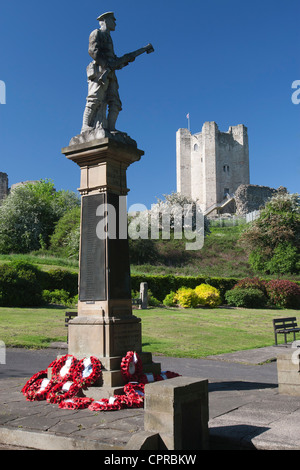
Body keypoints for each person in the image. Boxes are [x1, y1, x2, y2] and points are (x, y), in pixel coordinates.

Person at [81, 12, 130, 134]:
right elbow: (93, 51)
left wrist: (121, 62)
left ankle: (110, 128)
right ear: (105, 20)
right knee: (94, 98)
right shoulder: (97, 33)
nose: (115, 23)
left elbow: (112, 58)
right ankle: (85, 126)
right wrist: (106, 65)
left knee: (115, 102)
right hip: (100, 70)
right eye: (113, 20)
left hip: (110, 73)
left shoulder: (109, 38)